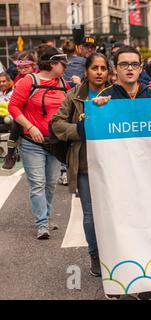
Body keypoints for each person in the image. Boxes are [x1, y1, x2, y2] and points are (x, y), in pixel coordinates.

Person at [92, 45, 151, 300]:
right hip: (116, 179)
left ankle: (142, 284)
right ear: (114, 70)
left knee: (145, 227)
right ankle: (118, 281)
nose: (129, 69)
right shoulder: (104, 99)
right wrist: (95, 113)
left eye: (134, 64)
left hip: (147, 178)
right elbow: (87, 135)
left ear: (141, 68)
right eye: (124, 64)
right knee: (118, 228)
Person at [51, 53, 110, 278]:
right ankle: (95, 255)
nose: (99, 72)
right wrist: (78, 130)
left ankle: (116, 252)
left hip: (114, 165)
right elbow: (56, 124)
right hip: (85, 163)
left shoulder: (117, 94)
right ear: (86, 71)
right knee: (90, 215)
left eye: (103, 68)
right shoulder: (74, 95)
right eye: (94, 67)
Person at [8, 47, 70, 239]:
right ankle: (42, 224)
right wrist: (31, 127)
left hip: (55, 142)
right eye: (63, 63)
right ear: (52, 64)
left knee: (51, 184)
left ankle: (47, 217)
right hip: (31, 142)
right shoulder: (29, 81)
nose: (66, 67)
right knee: (38, 184)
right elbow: (13, 106)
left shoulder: (63, 84)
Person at [3, 51, 40, 171]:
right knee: (15, 126)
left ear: (33, 66)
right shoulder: (18, 78)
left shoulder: (39, 76)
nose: (23, 70)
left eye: (26, 67)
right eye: (20, 67)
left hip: (37, 111)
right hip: (22, 112)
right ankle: (10, 154)